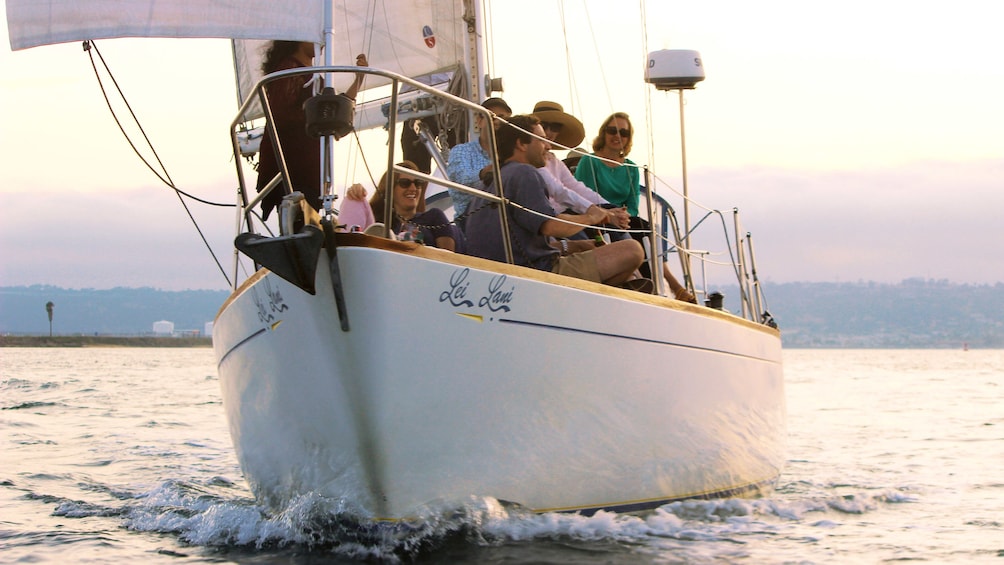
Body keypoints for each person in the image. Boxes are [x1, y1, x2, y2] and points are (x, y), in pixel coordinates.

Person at [465, 115, 644, 288]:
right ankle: (590, 301)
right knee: (632, 250)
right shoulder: (524, 173)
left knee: (602, 256)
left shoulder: (491, 181)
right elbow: (551, 226)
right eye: (541, 140)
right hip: (537, 274)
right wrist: (591, 217)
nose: (549, 146)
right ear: (521, 144)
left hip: (499, 276)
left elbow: (520, 243)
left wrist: (577, 245)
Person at [574, 112, 697, 302]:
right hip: (597, 217)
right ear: (603, 133)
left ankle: (660, 285)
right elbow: (584, 198)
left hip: (622, 218)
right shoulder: (590, 162)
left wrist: (623, 216)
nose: (617, 136)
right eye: (612, 131)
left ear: (628, 139)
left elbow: (632, 204)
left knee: (645, 228)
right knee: (622, 228)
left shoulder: (631, 168)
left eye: (624, 133)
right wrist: (611, 214)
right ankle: (648, 282)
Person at [255, 41, 367, 221]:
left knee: (304, 223)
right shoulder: (290, 69)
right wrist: (316, 119)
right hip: (294, 167)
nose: (321, 42)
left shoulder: (311, 76)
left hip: (308, 168)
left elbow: (334, 118)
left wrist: (358, 80)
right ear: (300, 38)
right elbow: (281, 113)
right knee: (299, 222)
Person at [529, 101, 630, 234]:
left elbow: (577, 187)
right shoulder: (532, 161)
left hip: (569, 215)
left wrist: (611, 209)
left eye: (555, 127)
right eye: (544, 125)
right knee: (611, 232)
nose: (548, 132)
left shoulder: (554, 161)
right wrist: (599, 212)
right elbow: (559, 191)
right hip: (551, 222)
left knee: (631, 228)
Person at [343, 161, 463, 252]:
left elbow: (447, 258)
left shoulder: (434, 217)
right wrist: (356, 192)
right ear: (390, 189)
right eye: (405, 184)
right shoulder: (379, 223)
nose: (413, 188)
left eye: (417, 183)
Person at [445, 97, 512, 231]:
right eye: (493, 117)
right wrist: (488, 172)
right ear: (479, 121)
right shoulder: (462, 151)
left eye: (504, 119)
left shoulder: (512, 154)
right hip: (471, 219)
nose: (499, 122)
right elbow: (461, 184)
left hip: (506, 217)